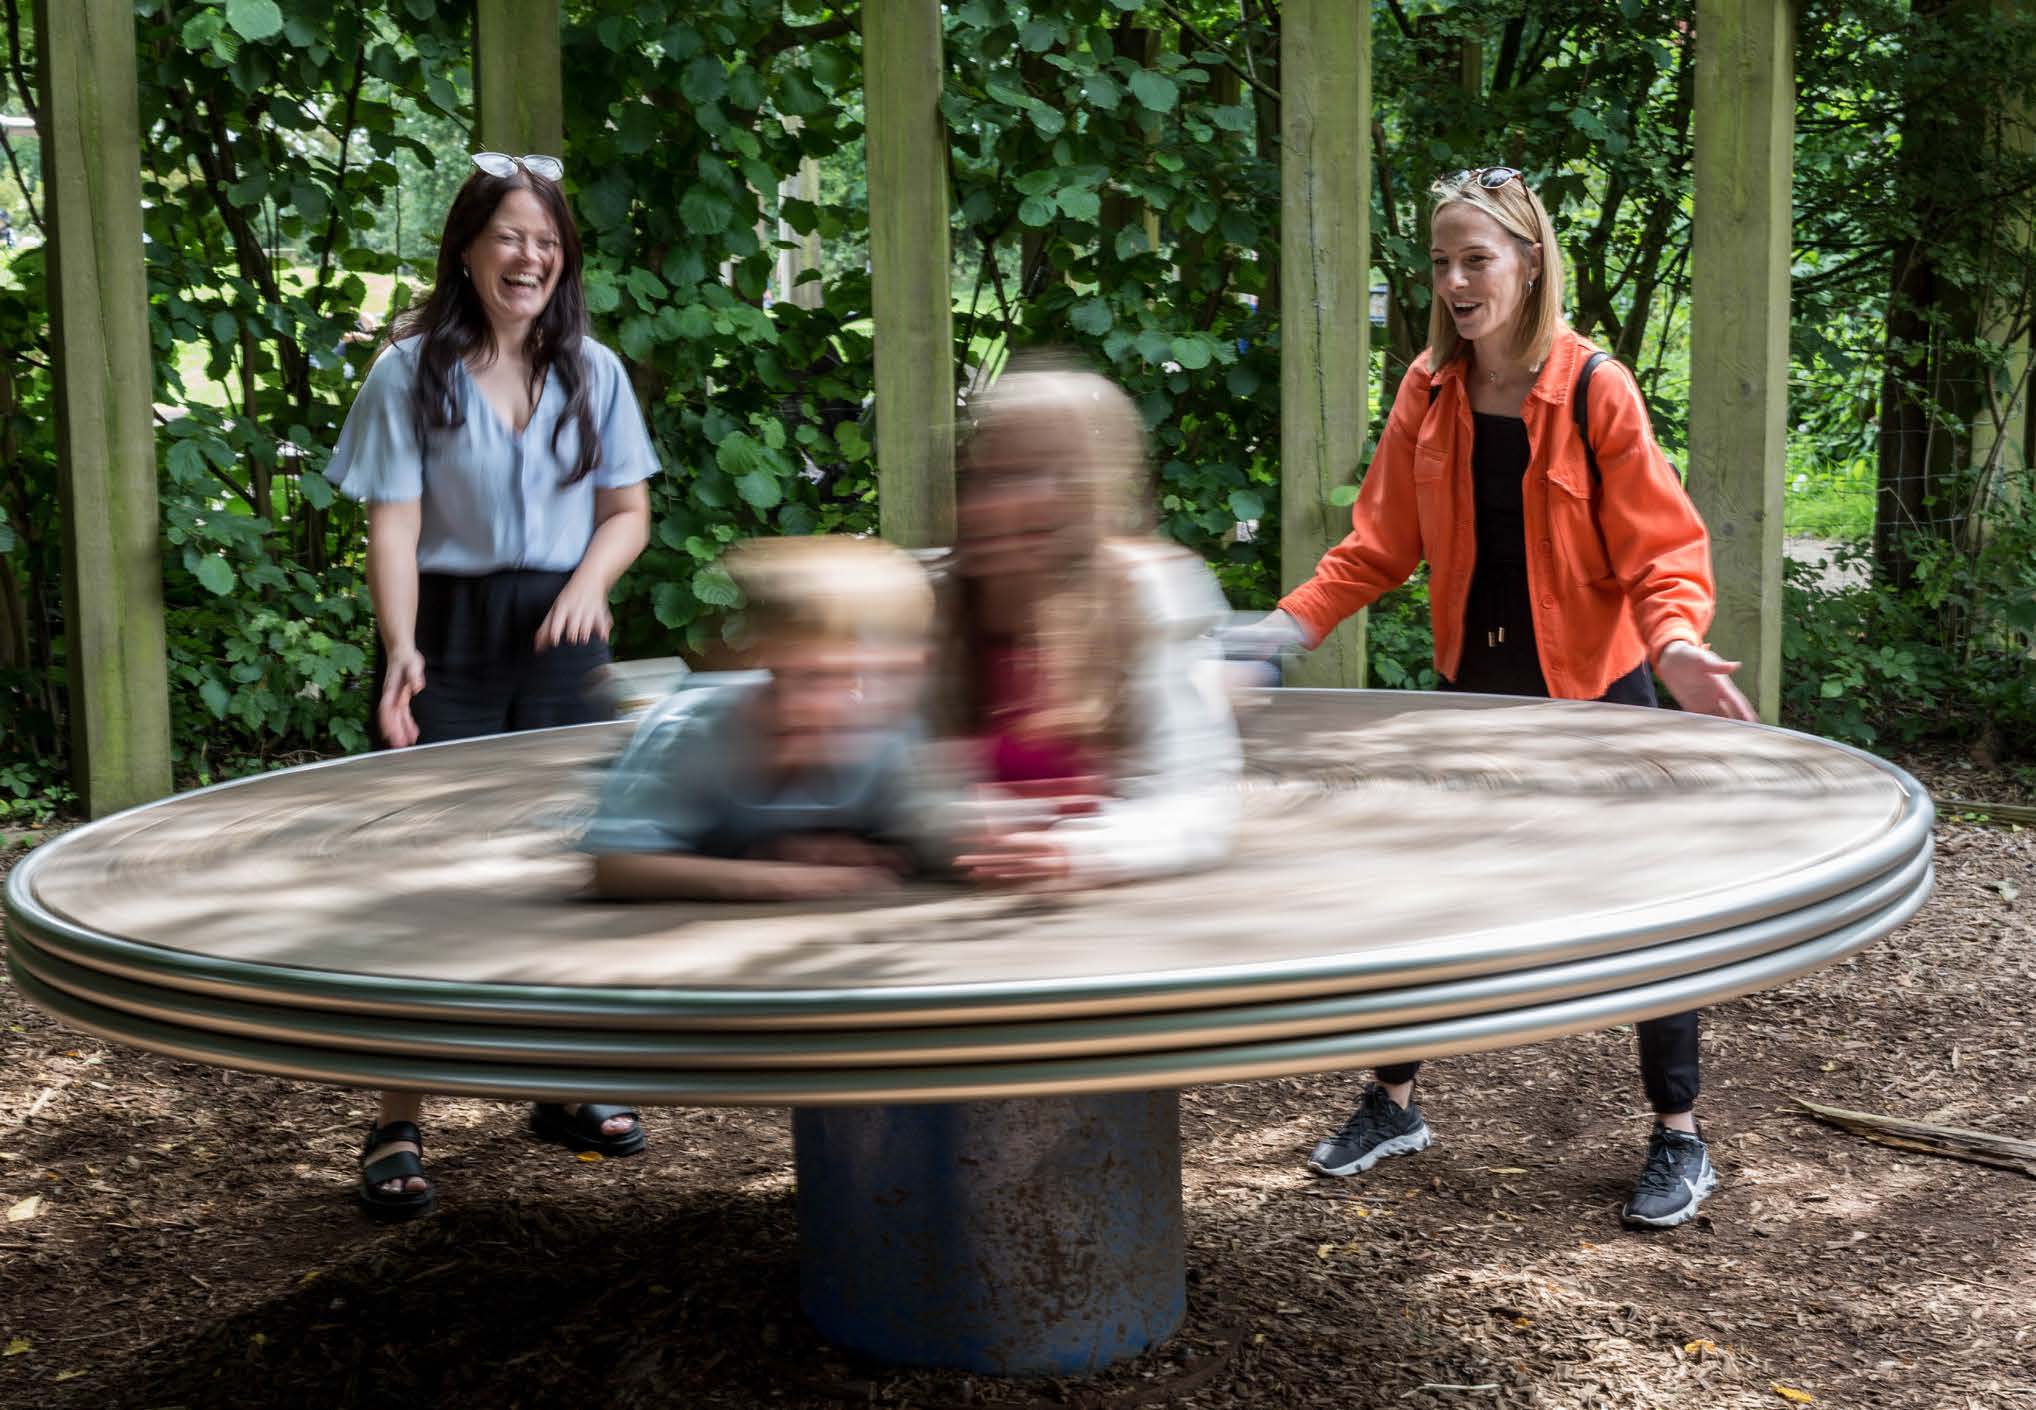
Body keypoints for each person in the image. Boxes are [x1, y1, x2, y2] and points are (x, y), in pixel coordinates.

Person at [1262, 166, 1755, 1230]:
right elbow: (1377, 545)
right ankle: (1391, 1102)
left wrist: (1671, 647)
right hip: (1469, 693)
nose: (1453, 280)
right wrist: (1280, 630)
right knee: (1412, 895)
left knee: (1646, 912)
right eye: (1439, 262)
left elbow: (1661, 554)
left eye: (1473, 258)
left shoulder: (1592, 389)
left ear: (1528, 263)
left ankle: (1677, 1134)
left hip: (1594, 693)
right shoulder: (1426, 389)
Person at [325, 151, 657, 1221]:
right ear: (468, 248)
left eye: (547, 241)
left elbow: (626, 513)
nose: (530, 257)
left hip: (563, 638)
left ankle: (565, 1086)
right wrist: (401, 649)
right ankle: (396, 1121)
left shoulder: (593, 372)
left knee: (573, 858)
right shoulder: (407, 371)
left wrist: (588, 585)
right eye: (510, 236)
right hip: (451, 634)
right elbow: (394, 520)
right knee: (426, 877)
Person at [936, 362, 1242, 889]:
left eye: (1021, 477)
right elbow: (896, 783)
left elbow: (1199, 802)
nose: (989, 503)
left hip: (1112, 915)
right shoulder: (933, 603)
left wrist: (1078, 850)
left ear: (1085, 493)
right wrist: (955, 821)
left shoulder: (1154, 596)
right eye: (978, 476)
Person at [582, 535, 939, 903]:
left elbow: (935, 841)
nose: (838, 701)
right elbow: (616, 865)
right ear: (772, 663)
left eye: (862, 677)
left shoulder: (889, 737)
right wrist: (777, 877)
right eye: (815, 676)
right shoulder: (690, 732)